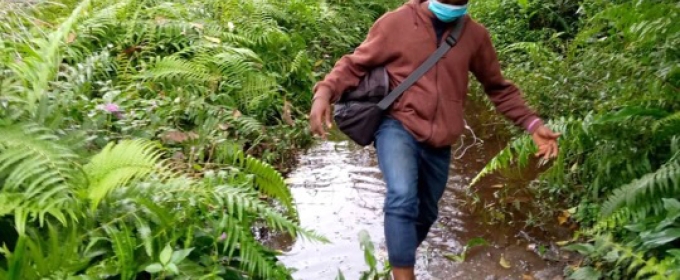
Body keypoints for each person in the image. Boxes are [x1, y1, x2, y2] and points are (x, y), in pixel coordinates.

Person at [309, 0, 561, 279]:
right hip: (397, 124)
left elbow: (498, 88)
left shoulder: (475, 36)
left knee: (426, 213)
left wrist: (532, 123)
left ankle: (398, 253)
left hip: (441, 138)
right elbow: (353, 65)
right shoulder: (396, 23)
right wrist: (324, 93)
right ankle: (404, 274)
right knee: (402, 196)